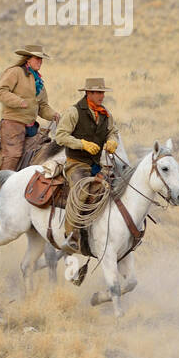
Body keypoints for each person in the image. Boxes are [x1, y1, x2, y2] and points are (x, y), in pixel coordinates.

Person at [52, 78, 120, 256]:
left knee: (117, 188)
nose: (101, 96)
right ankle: (71, 236)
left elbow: (113, 131)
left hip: (97, 165)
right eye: (97, 92)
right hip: (76, 164)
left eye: (102, 92)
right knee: (81, 191)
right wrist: (82, 144)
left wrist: (113, 141)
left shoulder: (105, 114)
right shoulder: (74, 112)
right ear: (88, 93)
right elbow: (60, 136)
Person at [0, 43, 58, 171]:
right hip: (13, 122)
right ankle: (1, 184)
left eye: (41, 59)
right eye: (37, 58)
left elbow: (43, 106)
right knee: (13, 155)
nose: (40, 62)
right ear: (28, 59)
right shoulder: (15, 72)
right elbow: (1, 91)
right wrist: (18, 101)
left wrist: (54, 115)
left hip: (31, 125)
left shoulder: (38, 81)